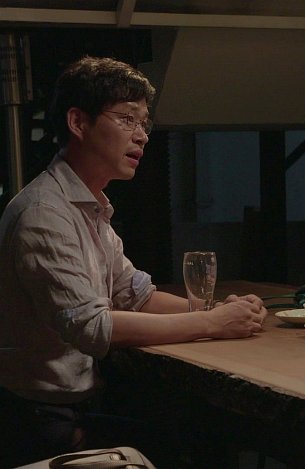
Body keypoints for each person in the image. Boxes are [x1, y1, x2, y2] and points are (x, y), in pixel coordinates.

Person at [0, 56, 268, 466]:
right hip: (35, 421)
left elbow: (135, 294)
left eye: (144, 123)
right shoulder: (44, 212)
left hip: (73, 406)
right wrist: (212, 323)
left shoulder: (88, 206)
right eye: (127, 119)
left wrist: (217, 310)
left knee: (192, 438)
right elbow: (92, 327)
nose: (141, 136)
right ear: (78, 122)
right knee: (183, 449)